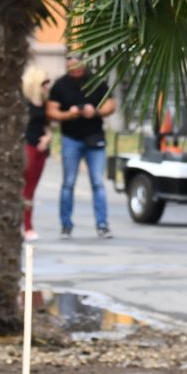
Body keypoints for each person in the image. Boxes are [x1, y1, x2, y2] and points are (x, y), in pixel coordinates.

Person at [47, 54, 116, 238]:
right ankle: (66, 225)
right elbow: (52, 111)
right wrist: (68, 114)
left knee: (97, 183)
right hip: (71, 138)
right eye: (71, 68)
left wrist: (95, 112)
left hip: (94, 137)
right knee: (68, 183)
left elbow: (111, 105)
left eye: (77, 67)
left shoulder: (96, 82)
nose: (75, 71)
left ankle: (102, 225)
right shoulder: (60, 85)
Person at [18, 65, 51, 243]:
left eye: (48, 82)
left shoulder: (44, 102)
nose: (47, 85)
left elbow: (46, 125)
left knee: (32, 189)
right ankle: (27, 226)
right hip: (28, 147)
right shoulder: (25, 103)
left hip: (42, 149)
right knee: (26, 188)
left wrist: (47, 137)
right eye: (44, 82)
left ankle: (28, 225)